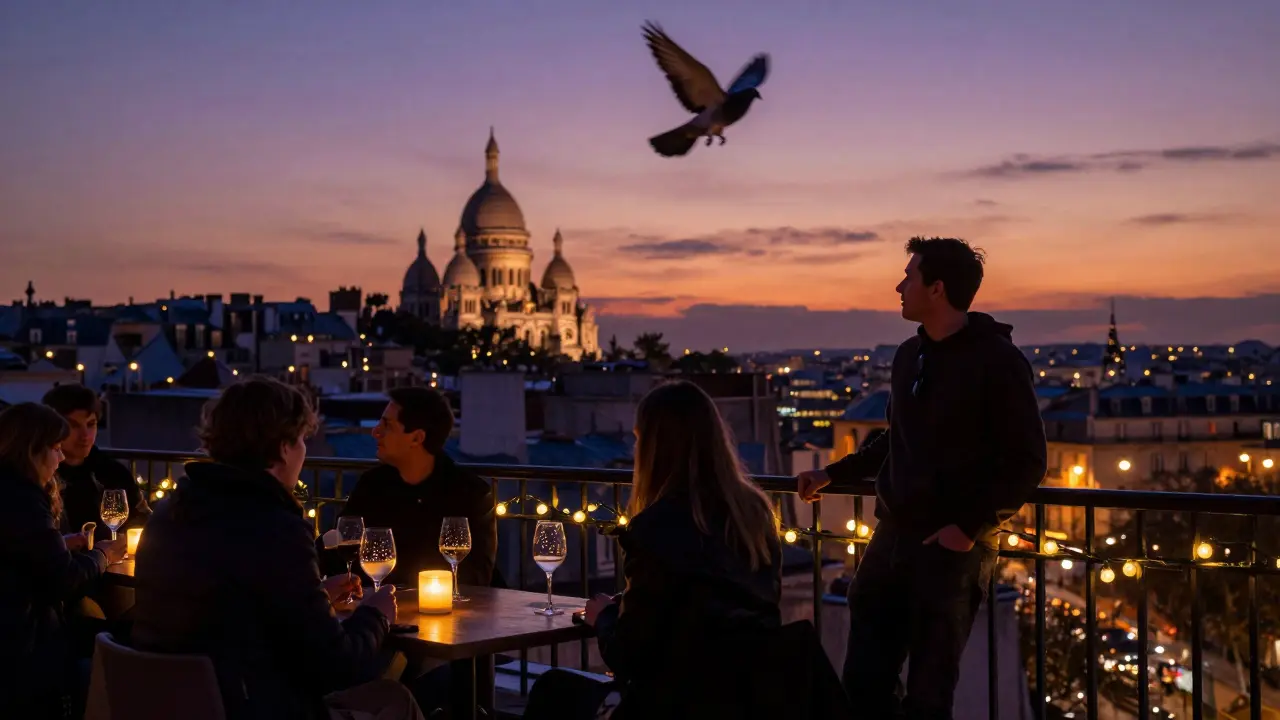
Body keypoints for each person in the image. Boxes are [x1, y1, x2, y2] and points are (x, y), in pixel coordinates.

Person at [796, 237, 1047, 718]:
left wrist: (966, 528)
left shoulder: (996, 361)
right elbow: (897, 440)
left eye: (909, 276)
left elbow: (1027, 459)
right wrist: (832, 473)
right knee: (863, 684)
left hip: (948, 549)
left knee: (929, 694)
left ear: (936, 289)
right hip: (892, 537)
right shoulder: (910, 355)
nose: (898, 286)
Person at [527, 381, 846, 719]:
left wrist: (604, 616)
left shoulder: (654, 527)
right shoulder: (755, 514)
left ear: (653, 448)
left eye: (639, 440)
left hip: (678, 702)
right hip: (751, 700)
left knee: (552, 690)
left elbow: (629, 654)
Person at [131, 377, 424, 720]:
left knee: (387, 696)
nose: (303, 450)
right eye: (301, 440)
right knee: (396, 702)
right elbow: (337, 664)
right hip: (249, 704)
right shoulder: (274, 525)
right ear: (283, 447)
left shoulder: (170, 511)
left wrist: (315, 597)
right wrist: (375, 615)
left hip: (173, 702)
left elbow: (231, 610)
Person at [0, 402, 126, 719]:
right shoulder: (24, 500)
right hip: (22, 644)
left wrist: (60, 542)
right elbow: (63, 579)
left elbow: (19, 551)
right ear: (31, 450)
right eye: (56, 449)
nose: (60, 459)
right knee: (113, 637)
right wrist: (102, 555)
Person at [338, 387, 497, 590]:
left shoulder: (470, 494)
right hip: (376, 611)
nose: (375, 431)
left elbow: (475, 577)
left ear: (416, 438)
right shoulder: (371, 486)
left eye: (387, 425)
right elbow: (341, 558)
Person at [43, 384, 147, 542]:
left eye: (91, 424)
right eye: (74, 425)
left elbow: (142, 518)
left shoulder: (112, 472)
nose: (85, 435)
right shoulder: (41, 474)